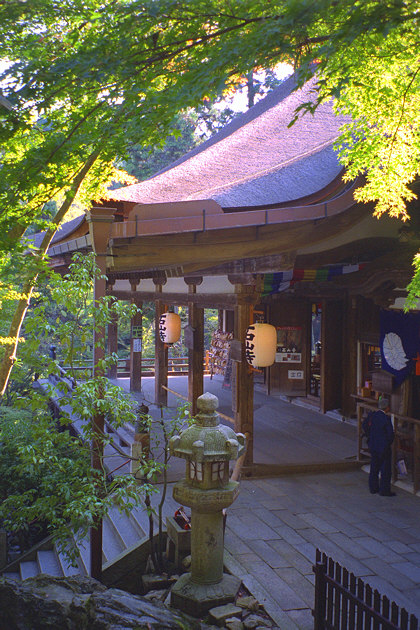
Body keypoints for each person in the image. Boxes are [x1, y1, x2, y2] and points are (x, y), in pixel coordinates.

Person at [362, 398, 395, 496]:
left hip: (373, 444)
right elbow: (390, 434)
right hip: (383, 447)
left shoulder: (372, 415)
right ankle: (384, 490)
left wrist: (370, 436)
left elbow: (364, 425)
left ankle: (373, 488)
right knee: (385, 469)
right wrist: (388, 442)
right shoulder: (386, 419)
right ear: (387, 408)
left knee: (374, 467)